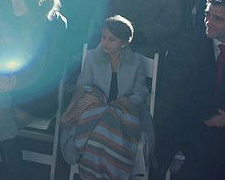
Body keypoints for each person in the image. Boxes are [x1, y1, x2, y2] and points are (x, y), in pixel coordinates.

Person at [154, 0, 225, 180]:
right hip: (188, 119)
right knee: (203, 150)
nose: (208, 22)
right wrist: (207, 117)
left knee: (214, 145)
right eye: (207, 15)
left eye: (217, 18)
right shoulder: (187, 46)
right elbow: (175, 95)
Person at [0, 0, 68, 180]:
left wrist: (17, 84)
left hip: (40, 95)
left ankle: (9, 174)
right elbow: (4, 55)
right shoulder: (14, 18)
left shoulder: (54, 24)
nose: (14, 3)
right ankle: (15, 174)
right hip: (13, 89)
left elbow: (51, 71)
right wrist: (5, 77)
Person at [60, 16, 154, 178]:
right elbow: (83, 85)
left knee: (108, 128)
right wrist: (97, 100)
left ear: (124, 42)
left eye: (112, 39)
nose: (105, 42)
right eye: (103, 37)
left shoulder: (137, 61)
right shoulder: (91, 57)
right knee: (99, 132)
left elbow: (140, 92)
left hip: (126, 112)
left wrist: (124, 103)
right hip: (95, 109)